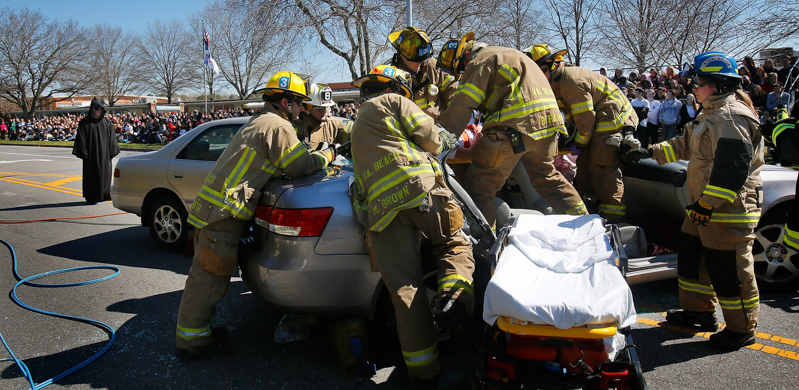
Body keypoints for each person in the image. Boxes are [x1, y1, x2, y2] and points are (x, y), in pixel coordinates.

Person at [176, 71, 335, 360]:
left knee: (206, 277)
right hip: (223, 215)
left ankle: (195, 334)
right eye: (299, 103)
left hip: (215, 211)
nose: (301, 109)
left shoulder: (261, 121)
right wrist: (327, 156)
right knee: (209, 279)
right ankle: (193, 342)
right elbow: (300, 165)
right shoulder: (278, 125)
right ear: (286, 103)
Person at [623, 51, 763, 351]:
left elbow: (732, 170)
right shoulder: (709, 114)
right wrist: (648, 153)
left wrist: (707, 204)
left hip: (728, 209)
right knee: (691, 259)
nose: (693, 87)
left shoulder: (731, 117)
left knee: (730, 271)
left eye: (698, 81)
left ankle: (741, 329)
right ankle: (698, 313)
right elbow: (682, 144)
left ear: (718, 84)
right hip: (703, 208)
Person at [349, 64, 474, 385]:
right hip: (423, 189)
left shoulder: (356, 133)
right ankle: (455, 300)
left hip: (382, 213)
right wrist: (454, 138)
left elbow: (359, 192)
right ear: (397, 87)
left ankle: (422, 370)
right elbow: (434, 139)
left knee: (405, 289)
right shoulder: (393, 101)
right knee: (453, 244)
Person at [437, 33, 587, 226]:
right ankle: (587, 223)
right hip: (549, 128)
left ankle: (488, 245)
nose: (463, 73)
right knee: (547, 178)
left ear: (465, 56)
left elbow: (462, 105)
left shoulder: (480, 61)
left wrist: (440, 140)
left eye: (461, 69)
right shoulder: (514, 55)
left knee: (481, 185)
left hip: (514, 129)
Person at [526, 44, 639, 220]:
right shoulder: (556, 82)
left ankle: (614, 219)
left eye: (540, 71)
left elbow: (586, 120)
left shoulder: (570, 81)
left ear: (553, 65)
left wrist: (579, 143)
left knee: (601, 165)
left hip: (612, 120)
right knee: (585, 165)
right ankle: (591, 211)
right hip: (598, 122)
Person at [388, 26, 457, 122]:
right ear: (402, 56)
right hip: (408, 133)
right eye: (416, 60)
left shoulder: (434, 67)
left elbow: (454, 96)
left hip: (437, 129)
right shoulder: (393, 77)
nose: (420, 63)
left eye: (423, 59)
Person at [72, 98, 119, 205]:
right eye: (97, 109)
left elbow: (112, 139)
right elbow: (81, 139)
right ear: (92, 110)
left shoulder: (106, 123)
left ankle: (104, 194)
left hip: (104, 154)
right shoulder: (85, 123)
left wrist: (112, 151)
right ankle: (91, 196)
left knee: (105, 174)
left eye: (100, 110)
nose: (98, 112)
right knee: (91, 176)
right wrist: (84, 153)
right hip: (91, 155)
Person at [293, 82, 351, 149]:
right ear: (306, 108)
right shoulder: (293, 125)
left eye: (326, 107)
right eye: (319, 108)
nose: (324, 111)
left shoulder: (333, 125)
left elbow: (354, 131)